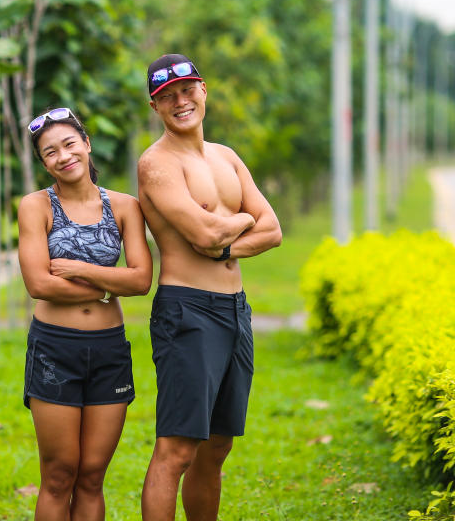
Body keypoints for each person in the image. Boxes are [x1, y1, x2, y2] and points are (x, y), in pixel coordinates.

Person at [137, 54, 282, 521]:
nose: (180, 102)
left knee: (217, 447)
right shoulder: (156, 164)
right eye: (167, 97)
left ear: (204, 90)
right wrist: (239, 222)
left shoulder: (226, 157)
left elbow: (273, 230)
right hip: (189, 312)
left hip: (236, 311)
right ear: (155, 107)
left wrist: (225, 242)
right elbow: (202, 234)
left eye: (187, 90)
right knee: (177, 449)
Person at [18, 107, 153, 521]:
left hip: (108, 350)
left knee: (92, 475)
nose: (63, 156)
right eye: (50, 152)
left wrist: (79, 270)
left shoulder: (126, 206)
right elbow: (39, 284)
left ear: (86, 144)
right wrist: (111, 284)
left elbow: (142, 280)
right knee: (59, 474)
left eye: (69, 144)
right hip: (55, 349)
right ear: (44, 162)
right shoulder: (35, 207)